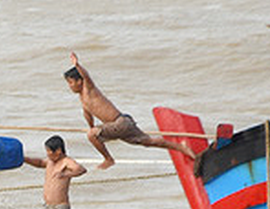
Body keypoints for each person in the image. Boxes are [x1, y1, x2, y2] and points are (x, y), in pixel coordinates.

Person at [64, 52, 194, 169]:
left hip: (120, 123)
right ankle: (181, 147)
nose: (70, 86)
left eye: (71, 82)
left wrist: (78, 65)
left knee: (91, 135)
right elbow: (88, 115)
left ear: (79, 81)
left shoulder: (89, 89)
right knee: (148, 142)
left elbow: (86, 77)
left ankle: (109, 159)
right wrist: (92, 126)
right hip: (121, 125)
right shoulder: (82, 98)